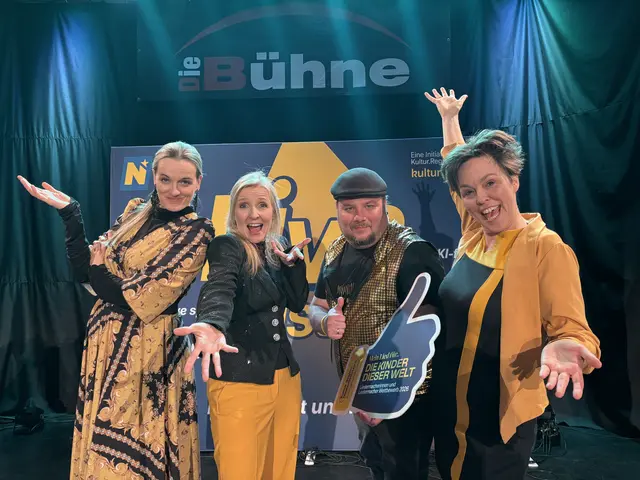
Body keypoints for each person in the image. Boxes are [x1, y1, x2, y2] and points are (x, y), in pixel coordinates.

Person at [423, 88, 602, 479]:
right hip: (451, 406)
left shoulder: (545, 247)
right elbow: (456, 163)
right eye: (469, 192)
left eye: (491, 183)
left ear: (513, 180)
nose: (481, 199)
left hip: (499, 418)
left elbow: (573, 329)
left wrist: (569, 346)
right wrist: (449, 119)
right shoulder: (474, 233)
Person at [17, 141, 214, 479]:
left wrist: (101, 272)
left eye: (184, 181)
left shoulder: (196, 232)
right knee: (100, 444)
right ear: (154, 177)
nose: (174, 190)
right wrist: (71, 214)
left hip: (151, 351)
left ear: (198, 182)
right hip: (104, 343)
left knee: (139, 448)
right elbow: (88, 274)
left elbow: (143, 297)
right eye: (165, 179)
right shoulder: (136, 211)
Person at [308, 167, 445, 480]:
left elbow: (429, 334)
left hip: (405, 399)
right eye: (349, 208)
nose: (359, 217)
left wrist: (382, 399)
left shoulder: (412, 252)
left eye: (369, 206)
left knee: (403, 472)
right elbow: (316, 306)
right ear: (337, 209)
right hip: (357, 392)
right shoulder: (335, 251)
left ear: (385, 205)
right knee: (376, 464)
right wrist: (324, 322)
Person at [174, 171, 310, 480]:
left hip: (285, 381)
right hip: (240, 382)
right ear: (234, 212)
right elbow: (219, 286)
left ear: (273, 211)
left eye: (262, 205)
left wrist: (294, 266)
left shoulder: (277, 248)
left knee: (280, 471)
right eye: (244, 205)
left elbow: (297, 303)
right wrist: (211, 323)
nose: (253, 214)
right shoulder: (227, 246)